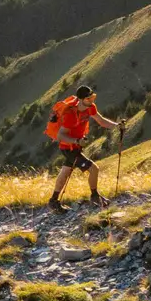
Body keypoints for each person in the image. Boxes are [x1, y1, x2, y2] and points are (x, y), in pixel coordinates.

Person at [45, 85, 120, 213]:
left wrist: (117, 126)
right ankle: (95, 196)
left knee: (65, 172)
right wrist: (76, 141)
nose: (91, 101)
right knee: (94, 169)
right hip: (68, 147)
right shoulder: (70, 114)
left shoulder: (91, 108)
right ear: (81, 99)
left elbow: (101, 121)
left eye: (92, 97)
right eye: (88, 99)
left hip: (76, 146)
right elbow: (61, 135)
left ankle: (53, 201)